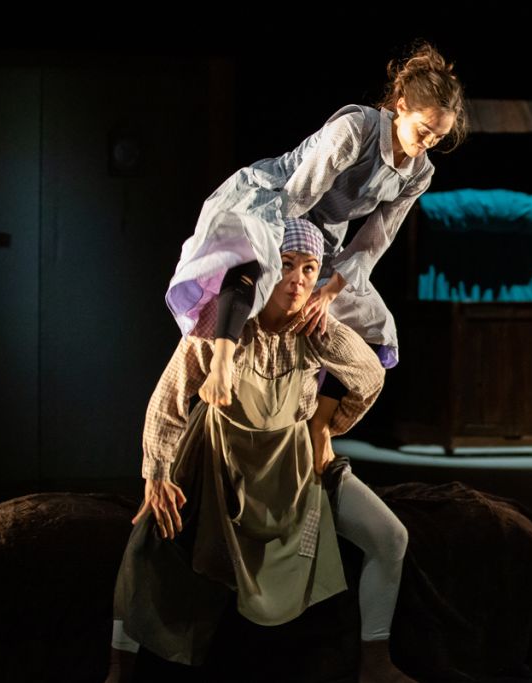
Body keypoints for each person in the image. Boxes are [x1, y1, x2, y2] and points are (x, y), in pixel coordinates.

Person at [105, 219, 418, 683]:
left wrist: (324, 426)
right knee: (150, 537)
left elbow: (370, 377)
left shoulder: (318, 329)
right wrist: (158, 472)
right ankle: (119, 668)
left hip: (292, 468)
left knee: (391, 537)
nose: (298, 280)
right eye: (287, 265)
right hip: (222, 463)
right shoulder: (225, 330)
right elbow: (168, 399)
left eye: (309, 269)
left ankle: (375, 661)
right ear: (269, 267)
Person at [164, 41, 466, 472]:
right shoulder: (356, 129)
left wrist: (328, 291)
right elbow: (300, 197)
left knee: (379, 326)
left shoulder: (420, 173)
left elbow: (375, 240)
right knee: (258, 268)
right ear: (401, 106)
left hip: (327, 240)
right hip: (276, 202)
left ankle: (319, 425)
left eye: (438, 137)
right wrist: (296, 271)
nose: (427, 143)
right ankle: (223, 361)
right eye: (423, 131)